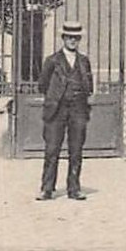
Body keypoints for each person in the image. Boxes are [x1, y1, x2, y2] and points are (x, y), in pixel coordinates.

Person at [37, 19, 93, 201]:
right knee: (52, 150)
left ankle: (74, 189)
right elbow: (43, 85)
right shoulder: (52, 61)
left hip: (78, 110)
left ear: (79, 40)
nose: (72, 41)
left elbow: (89, 85)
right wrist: (55, 99)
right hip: (57, 110)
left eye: (76, 38)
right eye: (69, 37)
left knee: (76, 150)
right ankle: (47, 189)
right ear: (63, 38)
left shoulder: (84, 62)